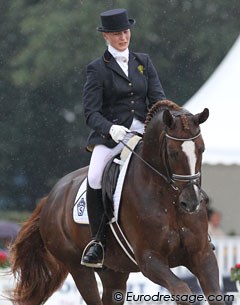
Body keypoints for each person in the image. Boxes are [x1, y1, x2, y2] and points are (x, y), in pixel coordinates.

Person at [81, 8, 166, 268]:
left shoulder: (143, 61)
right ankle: (98, 242)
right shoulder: (97, 69)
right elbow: (90, 112)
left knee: (177, 161)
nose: (123, 37)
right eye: (117, 33)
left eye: (126, 32)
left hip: (143, 132)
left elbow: (158, 99)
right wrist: (110, 129)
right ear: (106, 36)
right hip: (112, 136)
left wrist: (162, 124)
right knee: (94, 177)